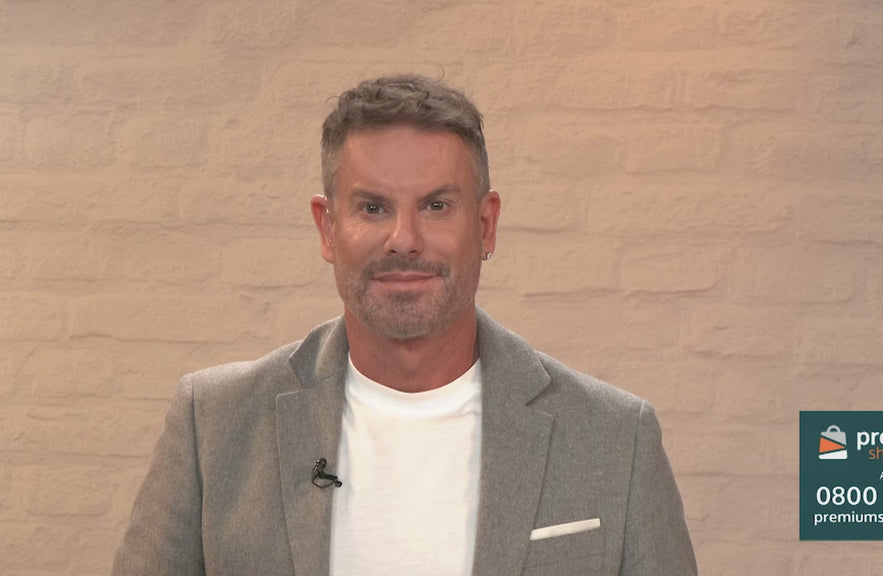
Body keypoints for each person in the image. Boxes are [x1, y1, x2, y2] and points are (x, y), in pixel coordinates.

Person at [112, 74, 698, 576]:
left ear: (486, 226)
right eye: (373, 208)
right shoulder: (212, 425)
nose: (404, 240)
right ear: (327, 228)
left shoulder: (616, 437)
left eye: (437, 206)